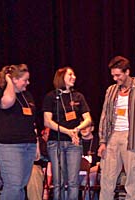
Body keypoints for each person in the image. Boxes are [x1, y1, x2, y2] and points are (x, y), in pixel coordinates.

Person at [97, 56, 135, 200]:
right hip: (113, 136)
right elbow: (104, 116)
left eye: (118, 75)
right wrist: (102, 141)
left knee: (132, 179)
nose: (115, 79)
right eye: (113, 75)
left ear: (127, 72)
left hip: (133, 137)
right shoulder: (110, 90)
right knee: (107, 178)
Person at [43, 66, 92, 200]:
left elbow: (88, 119)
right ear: (61, 77)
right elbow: (47, 122)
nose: (74, 77)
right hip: (55, 142)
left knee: (73, 182)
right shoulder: (51, 97)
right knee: (58, 182)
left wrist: (76, 130)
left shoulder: (78, 96)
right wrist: (68, 131)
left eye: (74, 75)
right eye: (70, 75)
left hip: (74, 142)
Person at [0, 64, 38, 200]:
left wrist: (35, 143)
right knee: (13, 185)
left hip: (28, 144)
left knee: (21, 185)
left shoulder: (27, 95)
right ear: (14, 80)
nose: (28, 83)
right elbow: (8, 102)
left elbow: (32, 120)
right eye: (25, 80)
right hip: (8, 145)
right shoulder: (1, 92)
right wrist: (9, 82)